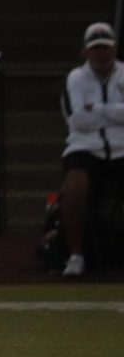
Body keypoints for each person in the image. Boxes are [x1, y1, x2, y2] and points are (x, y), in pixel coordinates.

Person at [59, 21, 124, 276]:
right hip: (85, 147)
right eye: (96, 48)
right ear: (86, 51)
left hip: (121, 147)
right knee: (75, 186)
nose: (101, 53)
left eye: (105, 48)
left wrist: (96, 109)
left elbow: (88, 114)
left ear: (114, 48)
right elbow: (77, 120)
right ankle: (76, 255)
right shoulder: (75, 78)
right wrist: (117, 113)